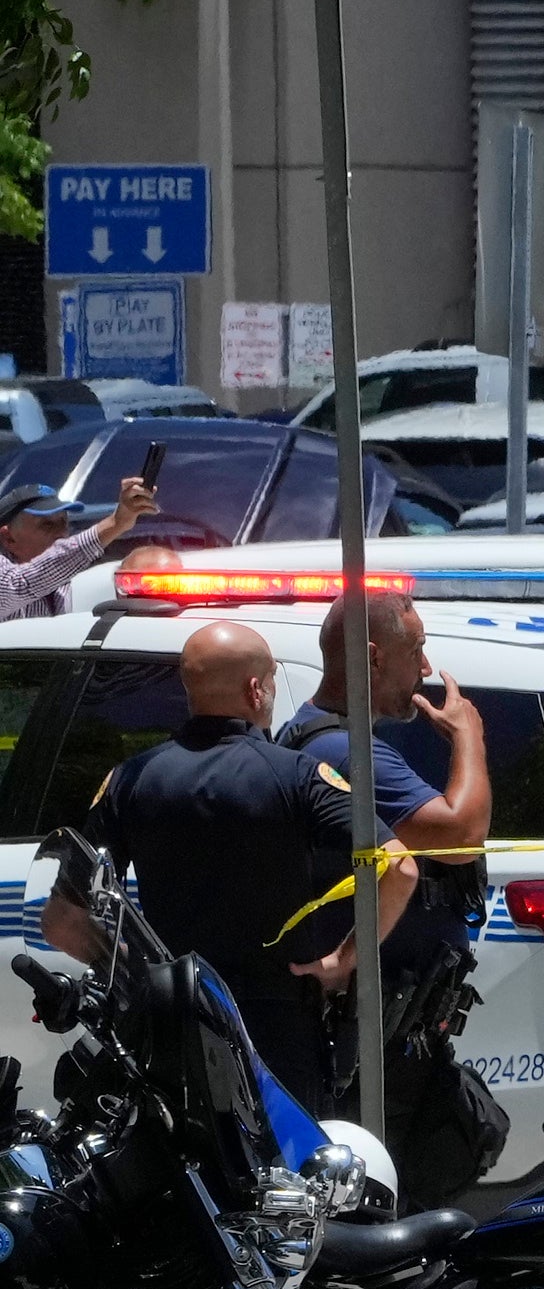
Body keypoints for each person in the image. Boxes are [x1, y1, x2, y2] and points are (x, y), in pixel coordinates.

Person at [56, 619, 362, 1113]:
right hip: (278, 1023)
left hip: (174, 1020)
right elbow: (398, 867)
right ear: (255, 689)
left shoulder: (130, 779)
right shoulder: (297, 774)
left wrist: (137, 977)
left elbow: (62, 919)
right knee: (290, 1176)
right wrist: (344, 960)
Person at [283, 593, 498, 1201]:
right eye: (416, 651)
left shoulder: (337, 741)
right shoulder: (338, 750)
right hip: (369, 1041)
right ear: (373, 658)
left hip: (399, 1029)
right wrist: (470, 736)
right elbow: (460, 835)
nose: (427, 670)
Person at [0, 471, 150, 620]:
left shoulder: (73, 576)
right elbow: (22, 583)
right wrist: (115, 524)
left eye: (63, 523)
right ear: (8, 538)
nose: (62, 535)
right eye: (47, 525)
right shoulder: (9, 579)